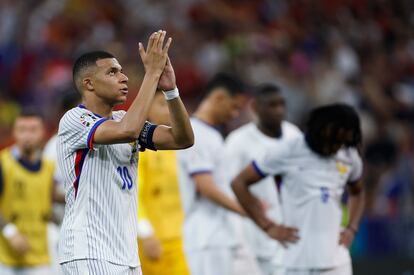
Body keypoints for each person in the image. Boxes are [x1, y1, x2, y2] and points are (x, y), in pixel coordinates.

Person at [57, 30, 194, 275]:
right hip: (88, 251)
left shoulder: (124, 119)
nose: (124, 78)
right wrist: (151, 73)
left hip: (127, 255)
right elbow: (128, 130)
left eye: (121, 70)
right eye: (112, 72)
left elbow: (182, 139)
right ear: (88, 83)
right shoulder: (74, 120)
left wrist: (171, 91)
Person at [232, 104, 365, 275]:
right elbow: (239, 183)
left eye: (342, 142)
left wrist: (352, 228)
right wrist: (267, 227)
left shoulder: (349, 155)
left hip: (336, 262)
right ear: (321, 131)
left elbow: (358, 192)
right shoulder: (287, 150)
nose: (337, 147)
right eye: (334, 141)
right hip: (294, 262)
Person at [178, 72, 260, 275]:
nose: (235, 114)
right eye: (235, 107)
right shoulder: (195, 133)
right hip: (205, 237)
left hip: (219, 235)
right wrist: (248, 210)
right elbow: (205, 187)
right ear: (219, 98)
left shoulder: (211, 134)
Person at [222, 84, 301, 275]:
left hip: (293, 232)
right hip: (255, 237)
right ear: (255, 107)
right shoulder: (237, 142)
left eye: (282, 104)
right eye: (272, 105)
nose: (279, 110)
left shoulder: (294, 135)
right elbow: (227, 188)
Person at [0, 110, 64, 275]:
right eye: (22, 130)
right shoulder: (3, 163)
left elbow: (47, 205)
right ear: (14, 132)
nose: (27, 136)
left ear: (43, 132)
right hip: (7, 258)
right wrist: (10, 233)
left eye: (33, 130)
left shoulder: (49, 167)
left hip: (41, 258)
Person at [137, 90, 190, 275]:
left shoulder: (187, 147)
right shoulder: (141, 150)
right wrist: (145, 233)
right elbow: (132, 194)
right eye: (161, 104)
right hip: (157, 241)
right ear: (147, 108)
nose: (169, 111)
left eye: (171, 104)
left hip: (186, 239)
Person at [43, 91, 81, 275]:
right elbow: (47, 190)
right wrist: (82, 195)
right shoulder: (54, 145)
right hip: (61, 227)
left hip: (82, 227)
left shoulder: (87, 142)